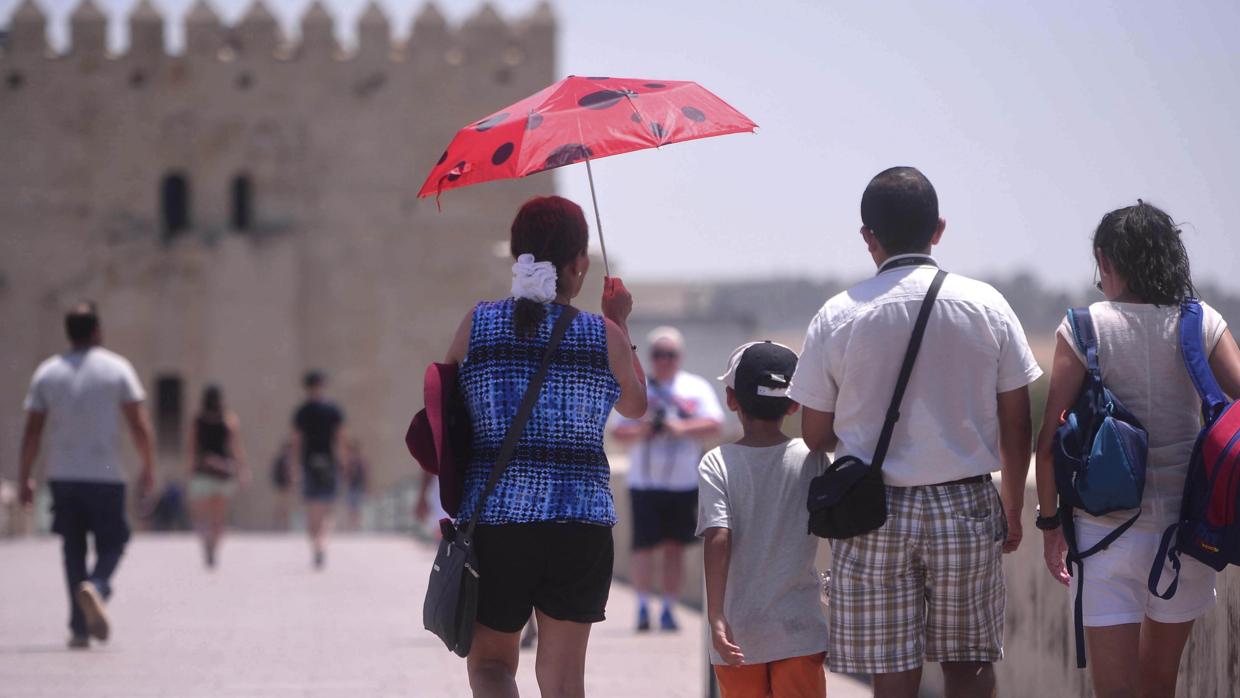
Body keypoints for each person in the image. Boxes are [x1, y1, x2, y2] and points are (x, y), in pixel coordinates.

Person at [788, 167, 1042, 697]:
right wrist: (1012, 507)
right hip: (967, 504)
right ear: (939, 229)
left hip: (874, 511)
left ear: (868, 237)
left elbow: (813, 434)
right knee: (969, 662)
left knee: (892, 669)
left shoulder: (838, 314)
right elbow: (1018, 423)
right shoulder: (986, 304)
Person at [442, 195, 646, 698]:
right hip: (580, 524)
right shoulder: (602, 335)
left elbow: (443, 402)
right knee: (562, 680)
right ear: (580, 264)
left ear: (518, 258)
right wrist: (619, 321)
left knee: (490, 666)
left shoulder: (478, 325)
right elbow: (637, 406)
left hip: (496, 520)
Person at [1033, 202, 1240, 698]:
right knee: (1159, 685)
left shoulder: (1084, 327)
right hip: (1186, 537)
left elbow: (1047, 442)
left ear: (1105, 261)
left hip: (1105, 536)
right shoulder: (1201, 322)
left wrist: (1048, 526)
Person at [18, 301, 156, 649]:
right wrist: (149, 466)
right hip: (106, 472)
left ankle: (80, 628)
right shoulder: (117, 369)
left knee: (72, 549)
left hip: (62, 474)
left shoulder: (47, 373)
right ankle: (98, 586)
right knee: (115, 541)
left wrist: (25, 477)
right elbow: (138, 424)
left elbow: (32, 432)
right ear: (97, 330)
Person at [699, 341, 830, 698]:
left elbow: (718, 537)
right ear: (794, 403)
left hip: (740, 631)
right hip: (800, 628)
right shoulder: (813, 458)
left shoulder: (717, 462)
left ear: (731, 399)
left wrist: (716, 617)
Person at [609, 326, 724, 632]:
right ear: (650, 357)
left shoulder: (695, 388)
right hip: (644, 481)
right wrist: (645, 429)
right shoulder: (638, 387)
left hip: (682, 482)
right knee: (643, 548)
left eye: (670, 355)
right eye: (658, 355)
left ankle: (669, 608)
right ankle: (644, 606)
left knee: (675, 547)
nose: (664, 361)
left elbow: (715, 423)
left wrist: (680, 428)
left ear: (679, 357)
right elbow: (618, 430)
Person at [186, 385, 249, 569]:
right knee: (219, 517)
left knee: (201, 517)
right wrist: (242, 470)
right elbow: (236, 448)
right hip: (223, 473)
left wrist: (189, 470)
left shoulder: (197, 420)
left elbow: (191, 448)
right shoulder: (228, 419)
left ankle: (206, 542)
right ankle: (214, 546)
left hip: (202, 472)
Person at [291, 370, 346, 569]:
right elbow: (339, 440)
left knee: (312, 510)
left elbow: (296, 441)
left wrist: (294, 466)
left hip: (308, 464)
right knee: (327, 510)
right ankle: (322, 542)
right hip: (329, 463)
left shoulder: (302, 412)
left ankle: (316, 544)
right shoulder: (333, 410)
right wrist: (343, 464)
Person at [343, 437, 368, 532]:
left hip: (358, 487)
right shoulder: (348, 461)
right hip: (351, 487)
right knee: (351, 507)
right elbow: (345, 475)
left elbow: (365, 475)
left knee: (357, 507)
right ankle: (351, 526)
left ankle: (356, 526)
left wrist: (366, 487)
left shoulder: (361, 461)